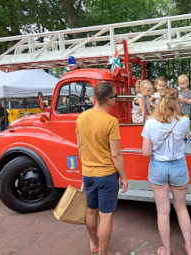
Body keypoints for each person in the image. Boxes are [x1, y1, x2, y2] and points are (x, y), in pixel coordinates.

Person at [76, 82, 128, 255]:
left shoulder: (81, 117)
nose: (116, 99)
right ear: (109, 100)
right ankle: (102, 253)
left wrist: (86, 166)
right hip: (106, 175)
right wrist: (124, 177)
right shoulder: (110, 121)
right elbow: (116, 154)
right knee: (105, 216)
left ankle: (94, 243)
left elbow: (79, 146)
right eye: (115, 96)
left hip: (88, 174)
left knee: (91, 211)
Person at [142, 87, 191, 255]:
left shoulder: (150, 123)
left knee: (163, 212)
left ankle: (166, 249)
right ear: (176, 102)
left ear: (159, 101)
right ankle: (189, 246)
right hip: (178, 165)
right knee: (181, 208)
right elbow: (187, 138)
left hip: (159, 166)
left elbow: (146, 153)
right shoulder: (184, 121)